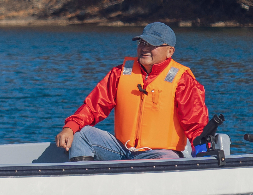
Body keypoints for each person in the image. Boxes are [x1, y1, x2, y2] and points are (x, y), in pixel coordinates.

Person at [55, 22, 209, 161]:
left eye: (152, 44)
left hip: (160, 154)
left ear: (170, 51)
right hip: (121, 150)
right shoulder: (119, 73)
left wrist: (203, 152)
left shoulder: (183, 80)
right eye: (142, 43)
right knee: (82, 134)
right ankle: (84, 180)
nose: (144, 48)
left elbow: (196, 124)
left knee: (165, 160)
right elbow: (94, 106)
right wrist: (70, 127)